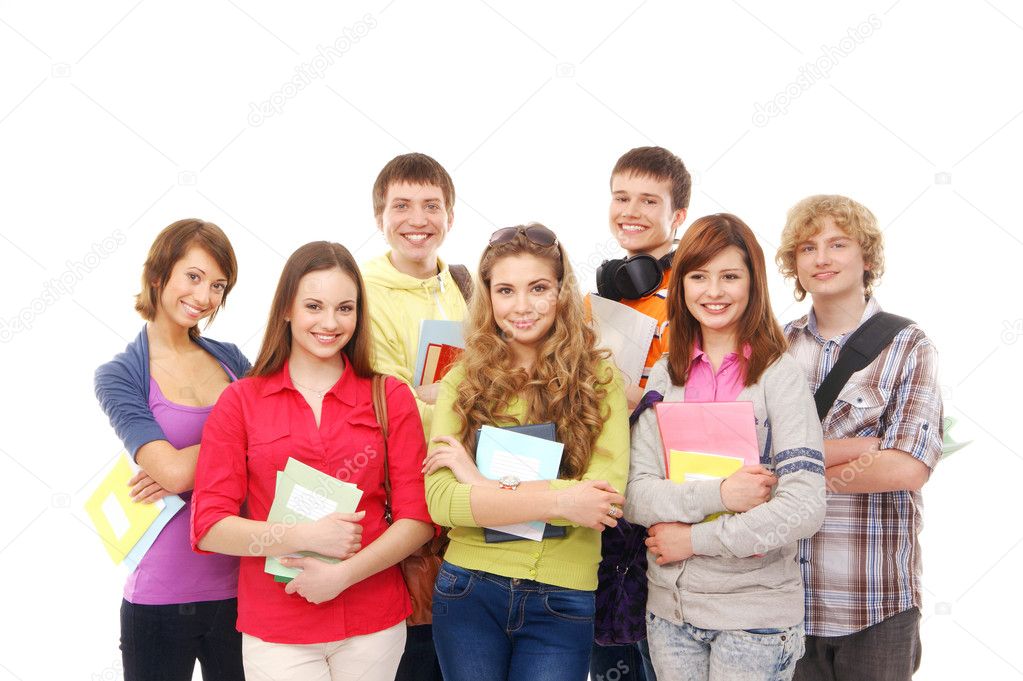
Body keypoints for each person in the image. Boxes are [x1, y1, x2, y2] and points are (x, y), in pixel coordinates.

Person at [190, 241, 435, 681]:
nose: (329, 322)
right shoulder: (240, 401)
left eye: (345, 308)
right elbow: (210, 526)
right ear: (287, 307)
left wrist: (342, 576)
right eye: (314, 306)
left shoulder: (390, 396)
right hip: (277, 625)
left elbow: (417, 519)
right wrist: (304, 536)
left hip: (372, 619)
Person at [423, 224, 630, 681]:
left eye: (538, 288)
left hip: (563, 594)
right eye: (505, 290)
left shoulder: (600, 381)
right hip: (468, 589)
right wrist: (561, 500)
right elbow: (441, 502)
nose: (521, 306)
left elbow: (602, 502)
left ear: (561, 291)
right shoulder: (461, 381)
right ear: (488, 298)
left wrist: (478, 485)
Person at [625, 214, 826, 681]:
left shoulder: (780, 377)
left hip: (751, 620)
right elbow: (636, 494)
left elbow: (804, 506)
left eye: (730, 276)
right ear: (682, 285)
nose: (713, 291)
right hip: (670, 614)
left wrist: (691, 540)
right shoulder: (665, 377)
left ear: (753, 283)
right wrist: (721, 496)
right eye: (698, 276)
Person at [776, 195, 943, 681]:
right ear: (796, 266)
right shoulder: (776, 347)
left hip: (876, 603)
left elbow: (908, 466)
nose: (822, 258)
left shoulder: (908, 345)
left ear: (866, 258)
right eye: (808, 248)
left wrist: (795, 469)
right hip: (787, 601)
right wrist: (867, 447)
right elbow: (754, 455)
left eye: (837, 244)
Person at [94, 218, 248, 681]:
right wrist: (237, 441)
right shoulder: (119, 375)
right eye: (194, 276)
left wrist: (187, 461)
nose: (204, 297)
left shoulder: (233, 359)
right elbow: (175, 475)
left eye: (217, 285)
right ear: (159, 274)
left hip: (240, 591)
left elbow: (277, 438)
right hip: (160, 600)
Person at [361, 151, 470, 680]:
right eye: (401, 205)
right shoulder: (361, 293)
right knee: (413, 650)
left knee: (461, 645)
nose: (417, 220)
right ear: (379, 216)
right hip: (406, 501)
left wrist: (434, 395)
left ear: (451, 214)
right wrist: (454, 407)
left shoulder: (464, 286)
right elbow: (389, 406)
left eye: (431, 205)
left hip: (467, 496)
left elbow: (491, 382)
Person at [592, 145, 691, 681]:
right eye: (621, 197)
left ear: (678, 218)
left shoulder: (691, 297)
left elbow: (678, 402)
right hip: (603, 496)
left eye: (648, 201)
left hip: (660, 505)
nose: (630, 210)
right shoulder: (604, 296)